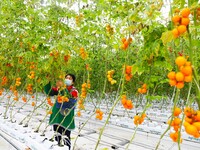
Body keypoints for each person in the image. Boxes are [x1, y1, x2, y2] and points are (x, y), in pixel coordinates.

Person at [44, 73, 78, 149]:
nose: (67, 79)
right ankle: (58, 146)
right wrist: (47, 81)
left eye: (70, 78)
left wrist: (62, 88)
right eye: (66, 78)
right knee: (57, 134)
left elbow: (70, 99)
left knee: (66, 135)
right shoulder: (59, 88)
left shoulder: (74, 91)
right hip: (57, 114)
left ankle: (67, 148)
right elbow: (49, 92)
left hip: (67, 116)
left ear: (72, 82)